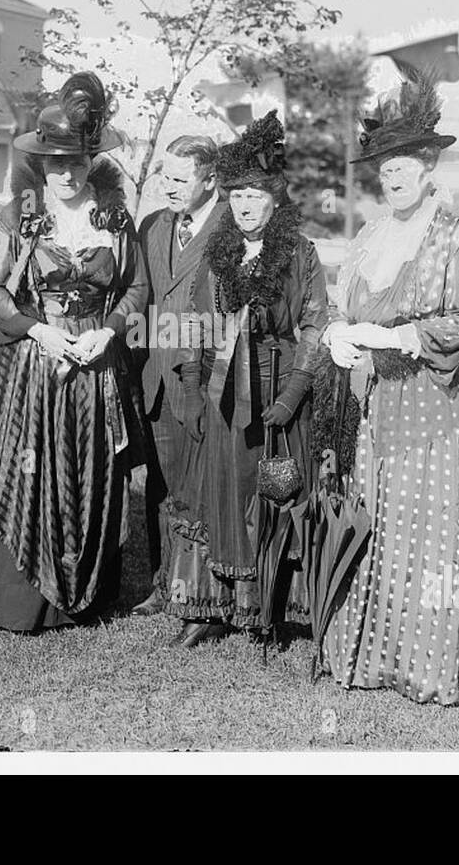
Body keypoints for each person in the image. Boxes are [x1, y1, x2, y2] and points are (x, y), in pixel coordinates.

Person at [319, 71, 459, 704]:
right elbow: (339, 307)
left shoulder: (456, 237)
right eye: (385, 165)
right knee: (382, 531)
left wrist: (395, 337)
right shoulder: (371, 237)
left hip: (442, 413)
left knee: (429, 540)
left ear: (430, 164)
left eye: (406, 162)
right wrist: (337, 335)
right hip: (379, 406)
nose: (394, 175)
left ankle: (431, 667)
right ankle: (375, 657)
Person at [0, 72, 148, 633]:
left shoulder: (115, 218)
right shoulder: (21, 215)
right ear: (39, 163)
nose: (64, 174)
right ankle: (17, 597)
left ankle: (83, 592)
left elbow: (136, 289)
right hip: (34, 365)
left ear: (92, 161)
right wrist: (36, 331)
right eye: (54, 163)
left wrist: (109, 331)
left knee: (89, 468)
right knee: (27, 467)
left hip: (94, 365)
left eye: (76, 163)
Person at [164, 111, 328, 649]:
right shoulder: (219, 254)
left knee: (271, 494)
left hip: (277, 391)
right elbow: (197, 322)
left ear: (275, 199)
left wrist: (295, 392)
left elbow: (314, 325)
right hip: (221, 393)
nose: (245, 206)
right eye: (236, 198)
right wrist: (191, 384)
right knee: (219, 495)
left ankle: (270, 609)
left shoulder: (300, 255)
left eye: (255, 196)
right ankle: (214, 609)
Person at [132, 135, 223, 617]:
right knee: (161, 485)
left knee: (202, 486)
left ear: (210, 180)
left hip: (205, 381)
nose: (167, 186)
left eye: (178, 178)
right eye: (163, 175)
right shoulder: (151, 225)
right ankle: (161, 582)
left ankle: (202, 588)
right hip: (156, 379)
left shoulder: (232, 229)